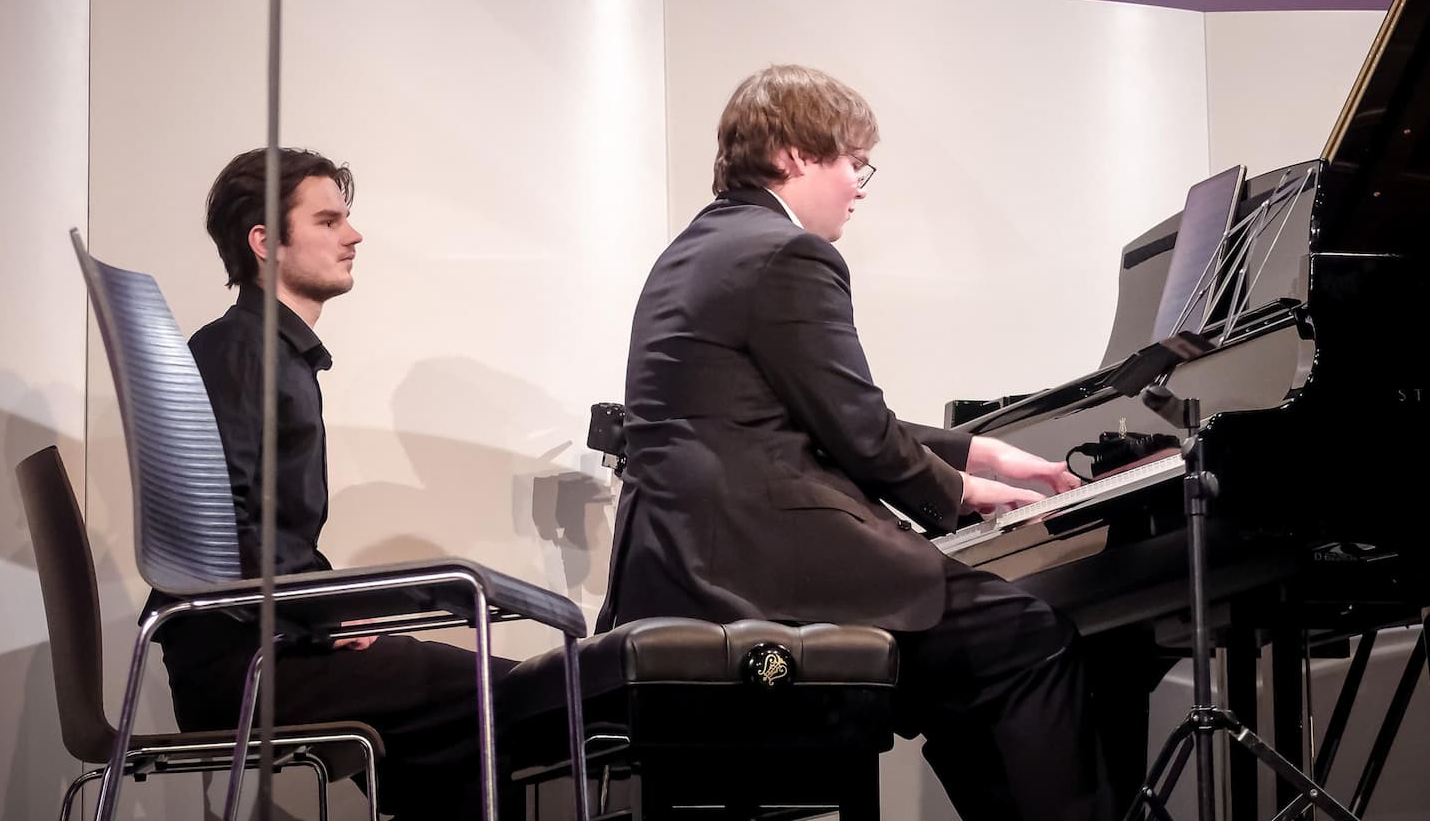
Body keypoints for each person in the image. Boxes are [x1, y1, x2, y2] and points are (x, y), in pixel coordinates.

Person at [596, 65, 1113, 820]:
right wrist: (960, 492)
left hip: (681, 565)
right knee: (1029, 640)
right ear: (797, 155)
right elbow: (856, 430)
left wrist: (980, 452)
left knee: (985, 665)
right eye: (852, 162)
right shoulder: (788, 254)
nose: (859, 185)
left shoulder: (699, 247)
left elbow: (811, 410)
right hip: (757, 573)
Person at [152, 147, 515, 820]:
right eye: (328, 221)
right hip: (244, 666)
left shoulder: (269, 356)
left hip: (269, 648)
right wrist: (330, 613)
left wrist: (334, 613)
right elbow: (229, 526)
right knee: (520, 694)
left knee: (466, 734)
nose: (353, 236)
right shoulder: (241, 353)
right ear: (265, 242)